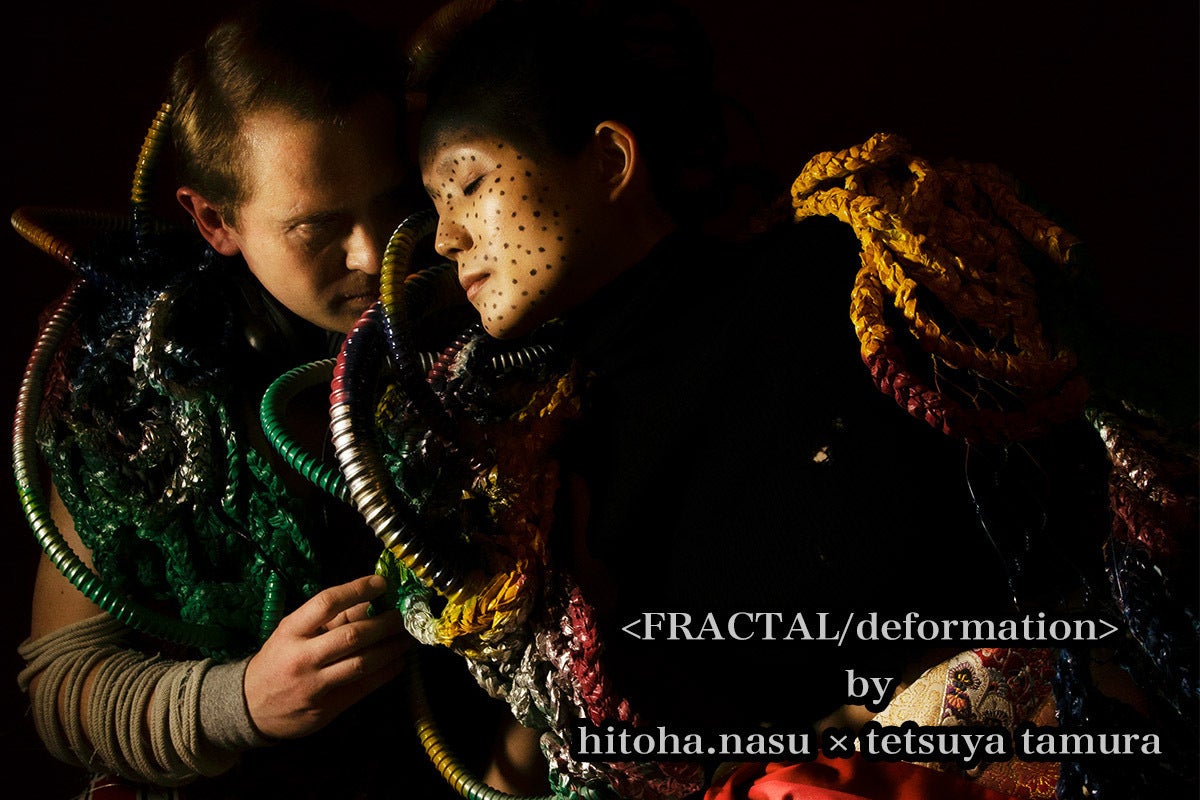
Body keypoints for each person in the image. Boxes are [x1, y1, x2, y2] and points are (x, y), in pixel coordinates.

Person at [328, 0, 1196, 797]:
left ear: (609, 161)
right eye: (436, 205)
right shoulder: (532, 475)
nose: (446, 238)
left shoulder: (850, 279)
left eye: (470, 184)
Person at [13, 2, 480, 797]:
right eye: (316, 227)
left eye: (395, 200)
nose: (376, 254)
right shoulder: (134, 395)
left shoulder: (504, 319)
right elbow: (62, 687)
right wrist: (243, 703)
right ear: (214, 220)